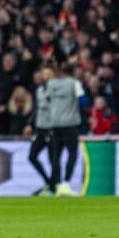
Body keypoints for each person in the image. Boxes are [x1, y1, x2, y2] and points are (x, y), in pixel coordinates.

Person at [48, 62, 85, 196]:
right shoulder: (74, 83)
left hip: (55, 124)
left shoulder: (51, 84)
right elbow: (83, 101)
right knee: (72, 154)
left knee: (55, 156)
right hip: (70, 124)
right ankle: (65, 184)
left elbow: (47, 101)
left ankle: (57, 185)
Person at [23, 65, 55, 196]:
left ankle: (53, 187)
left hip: (53, 129)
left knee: (53, 159)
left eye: (48, 74)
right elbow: (36, 108)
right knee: (32, 156)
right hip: (41, 129)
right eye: (43, 74)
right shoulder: (39, 90)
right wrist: (30, 124)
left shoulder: (56, 91)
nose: (45, 77)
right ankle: (49, 183)